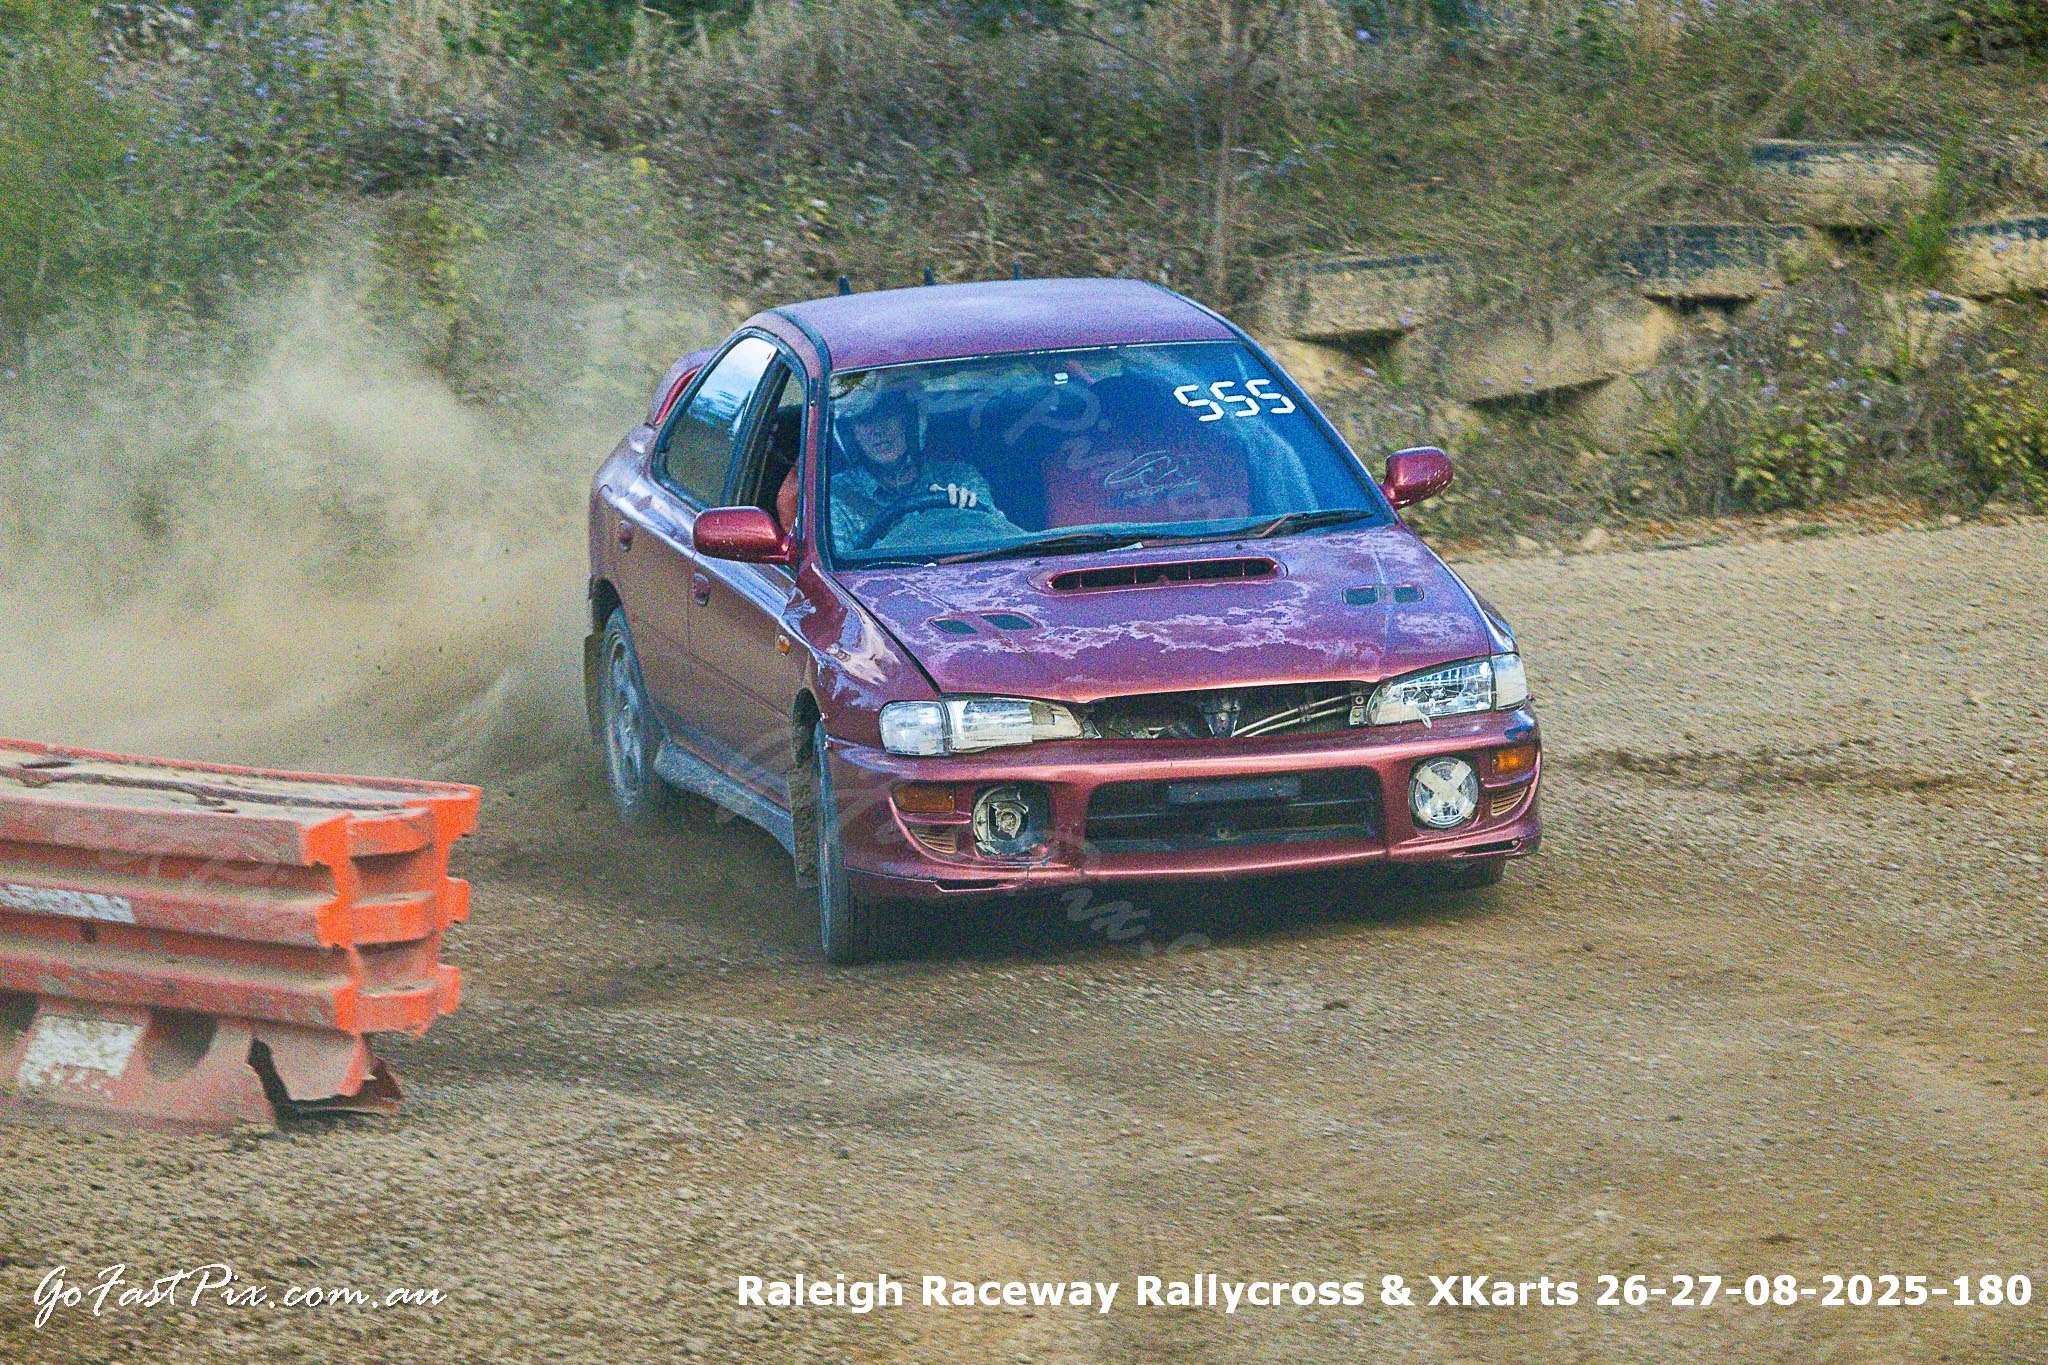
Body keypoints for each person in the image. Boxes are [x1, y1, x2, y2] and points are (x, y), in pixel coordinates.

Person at [829, 388, 1016, 551]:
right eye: (863, 421)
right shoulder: (834, 496)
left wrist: (960, 510)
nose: (877, 431)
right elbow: (838, 574)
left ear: (911, 422)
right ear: (850, 435)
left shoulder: (960, 477)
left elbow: (998, 542)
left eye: (887, 415)